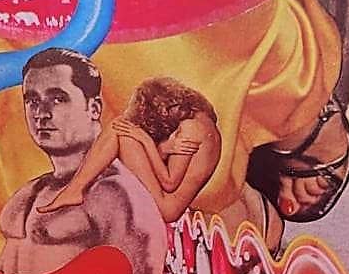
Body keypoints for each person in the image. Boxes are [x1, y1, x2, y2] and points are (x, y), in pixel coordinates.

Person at [0, 47, 166, 274]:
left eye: (58, 99)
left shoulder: (115, 194)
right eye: (32, 100)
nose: (41, 113)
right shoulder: (33, 189)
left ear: (94, 108)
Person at [47, 75, 222, 224]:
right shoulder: (203, 123)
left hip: (166, 207)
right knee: (120, 127)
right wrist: (163, 148)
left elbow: (169, 182)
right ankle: (75, 189)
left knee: (119, 128)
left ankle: (75, 189)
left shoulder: (190, 128)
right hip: (168, 201)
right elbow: (168, 168)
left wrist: (145, 140)